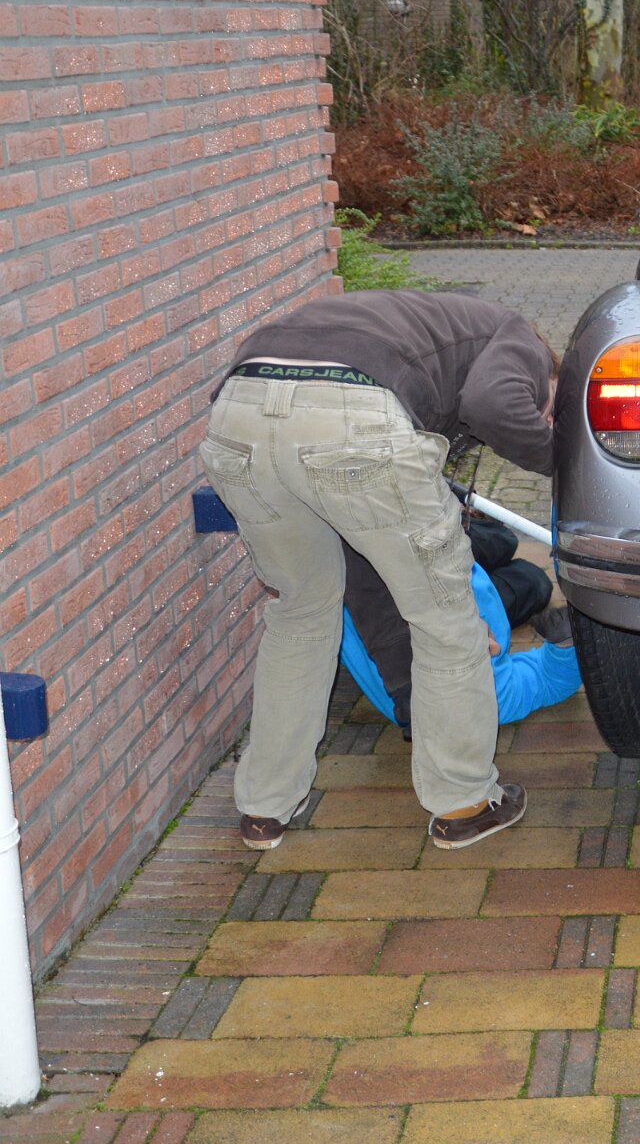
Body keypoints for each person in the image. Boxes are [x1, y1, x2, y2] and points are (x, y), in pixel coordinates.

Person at [198, 290, 556, 851]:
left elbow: (368, 568)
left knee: (300, 615)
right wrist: (565, 460)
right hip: (351, 415)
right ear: (552, 373)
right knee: (446, 621)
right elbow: (495, 404)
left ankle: (265, 806)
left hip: (238, 413)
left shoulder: (414, 324)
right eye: (549, 409)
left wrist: (407, 686)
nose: (543, 418)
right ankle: (463, 803)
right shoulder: (519, 335)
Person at [339, 513, 580, 731]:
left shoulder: (490, 695)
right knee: (527, 575)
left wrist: (566, 650)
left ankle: (487, 532)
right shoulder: (490, 696)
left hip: (429, 560)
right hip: (433, 562)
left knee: (519, 565)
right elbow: (541, 681)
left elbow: (542, 681)